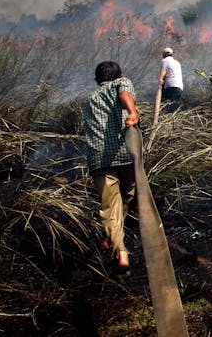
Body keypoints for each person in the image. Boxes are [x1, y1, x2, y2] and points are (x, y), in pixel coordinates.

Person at [82, 61, 139, 273]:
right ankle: (121, 251)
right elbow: (125, 95)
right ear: (119, 75)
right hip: (123, 154)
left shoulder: (90, 100)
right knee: (126, 198)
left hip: (99, 159)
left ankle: (112, 240)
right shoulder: (122, 82)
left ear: (98, 80)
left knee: (110, 207)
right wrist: (132, 112)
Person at [158, 47, 183, 112]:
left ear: (164, 54)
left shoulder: (165, 60)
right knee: (174, 104)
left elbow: (164, 70)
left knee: (164, 102)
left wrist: (160, 79)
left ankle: (162, 114)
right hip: (179, 86)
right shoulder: (177, 63)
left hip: (170, 85)